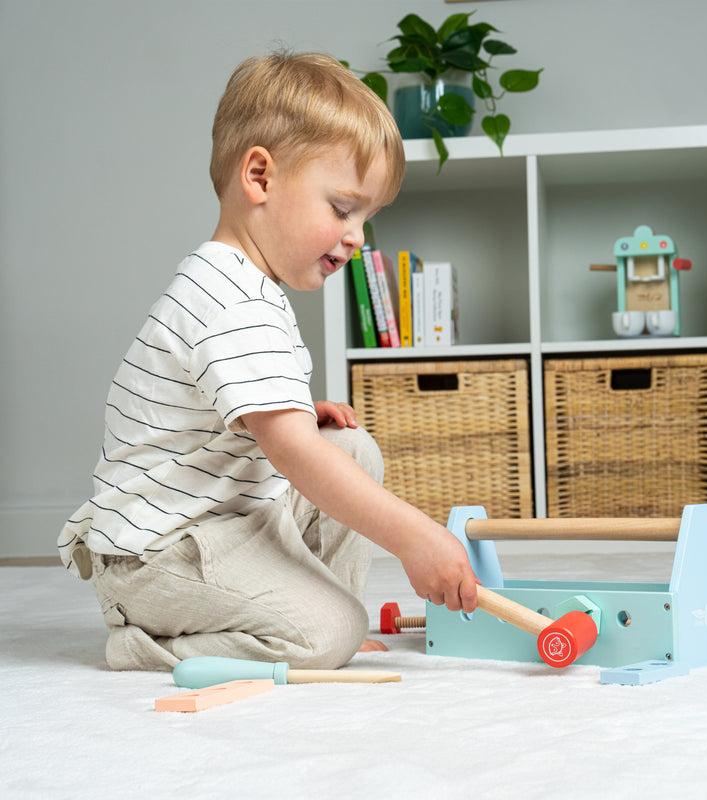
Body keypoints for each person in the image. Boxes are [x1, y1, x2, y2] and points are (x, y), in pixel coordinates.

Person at [57, 51, 479, 672]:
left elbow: (217, 411)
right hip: (159, 557)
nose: (358, 236)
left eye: (366, 217)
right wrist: (419, 537)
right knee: (327, 634)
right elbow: (292, 454)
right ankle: (153, 641)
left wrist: (296, 412)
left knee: (352, 449)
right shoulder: (232, 302)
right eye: (342, 208)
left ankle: (318, 615)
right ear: (259, 176)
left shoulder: (242, 286)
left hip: (220, 524)